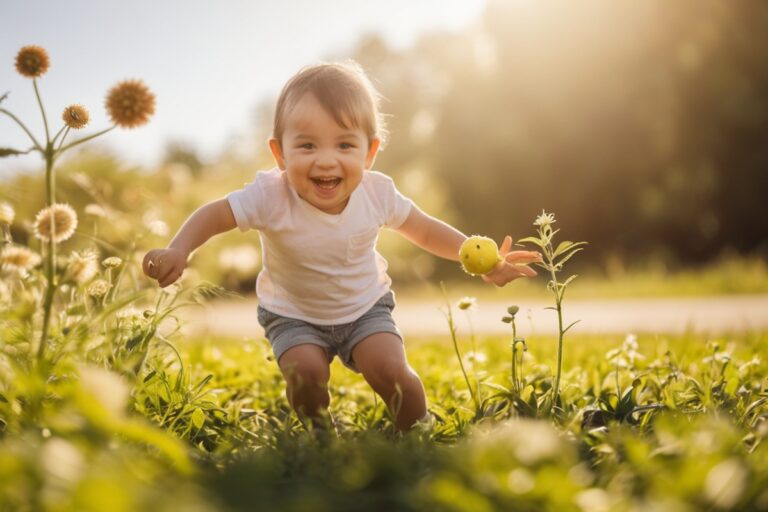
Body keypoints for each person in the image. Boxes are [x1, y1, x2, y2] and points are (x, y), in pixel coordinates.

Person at [143, 61, 541, 432]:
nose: (326, 161)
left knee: (391, 372)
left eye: (345, 146)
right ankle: (320, 445)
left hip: (364, 308)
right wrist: (180, 249)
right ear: (280, 153)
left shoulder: (377, 193)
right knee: (306, 377)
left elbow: (423, 229)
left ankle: (420, 436)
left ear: (369, 152)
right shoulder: (269, 195)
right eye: (308, 146)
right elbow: (215, 214)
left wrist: (478, 259)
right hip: (292, 314)